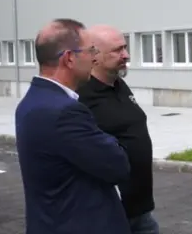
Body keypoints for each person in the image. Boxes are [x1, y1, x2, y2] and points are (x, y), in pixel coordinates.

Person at [15, 18, 131, 234]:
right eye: (90, 51)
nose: (94, 58)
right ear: (69, 58)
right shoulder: (64, 112)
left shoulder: (32, 101)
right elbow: (117, 165)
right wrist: (113, 142)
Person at [78, 25, 160, 234]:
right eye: (117, 50)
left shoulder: (119, 85)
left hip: (141, 211)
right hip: (109, 215)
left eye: (125, 47)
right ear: (94, 57)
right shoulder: (82, 96)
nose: (126, 55)